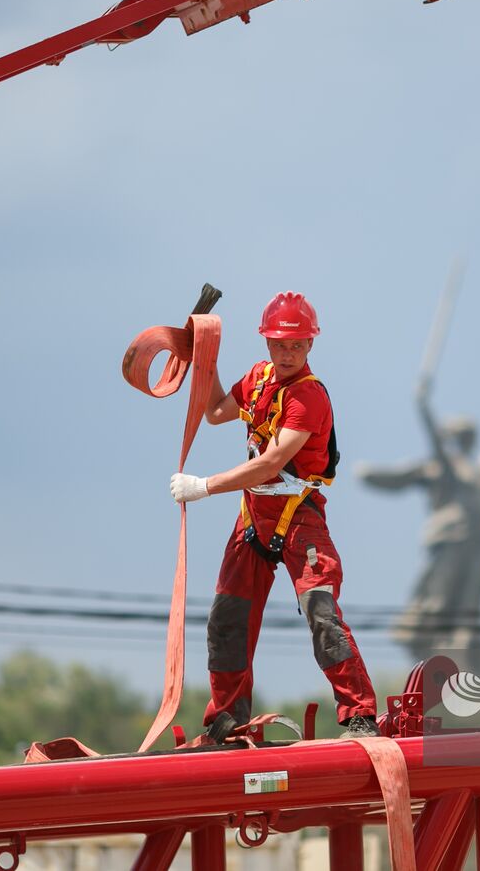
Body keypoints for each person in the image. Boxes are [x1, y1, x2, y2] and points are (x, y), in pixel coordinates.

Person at [169, 291, 378, 740]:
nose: (287, 354)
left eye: (296, 346)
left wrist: (203, 486)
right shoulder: (260, 380)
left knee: (322, 611)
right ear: (266, 343)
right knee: (227, 619)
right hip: (253, 519)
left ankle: (359, 715)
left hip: (298, 518)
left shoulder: (308, 397)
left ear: (310, 346)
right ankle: (228, 719)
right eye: (280, 345)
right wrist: (205, 357)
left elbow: (269, 464)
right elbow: (216, 410)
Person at [357, 384, 480, 669]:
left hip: (479, 541)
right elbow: (397, 476)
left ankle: (465, 661)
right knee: (437, 600)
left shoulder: (479, 469)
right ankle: (426, 653)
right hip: (450, 538)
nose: (466, 442)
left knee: (468, 608)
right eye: (461, 436)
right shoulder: (439, 465)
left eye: (469, 437)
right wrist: (423, 407)